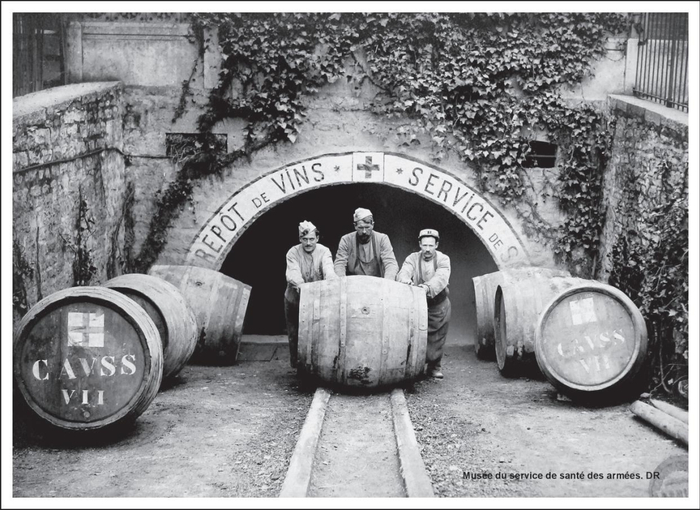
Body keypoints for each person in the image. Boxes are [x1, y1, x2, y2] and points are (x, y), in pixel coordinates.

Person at [396, 229, 451, 379]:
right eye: (424, 245)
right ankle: (413, 368)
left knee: (436, 338)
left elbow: (441, 278)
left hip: (438, 305)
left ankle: (434, 367)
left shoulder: (443, 259)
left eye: (431, 245)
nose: (427, 249)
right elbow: (404, 271)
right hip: (416, 304)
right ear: (420, 244)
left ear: (436, 245)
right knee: (412, 335)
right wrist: (405, 280)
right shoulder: (412, 258)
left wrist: (426, 288)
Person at [284, 221, 337, 368]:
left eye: (312, 239)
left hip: (318, 300)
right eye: (305, 239)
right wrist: (302, 286)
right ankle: (298, 367)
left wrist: (331, 280)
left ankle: (319, 367)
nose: (308, 243)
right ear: (300, 239)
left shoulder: (324, 251)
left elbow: (328, 268)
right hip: (295, 299)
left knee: (320, 332)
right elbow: (293, 273)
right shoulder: (293, 252)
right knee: (295, 333)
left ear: (317, 238)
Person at [333, 207, 399, 280]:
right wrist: (341, 282)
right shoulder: (346, 240)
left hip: (377, 283)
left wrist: (387, 283)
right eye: (360, 228)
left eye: (367, 227)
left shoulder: (382, 239)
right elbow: (339, 264)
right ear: (355, 226)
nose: (364, 231)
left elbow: (391, 264)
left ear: (372, 225)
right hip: (353, 283)